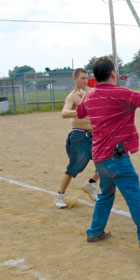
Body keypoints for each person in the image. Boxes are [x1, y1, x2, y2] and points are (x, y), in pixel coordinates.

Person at [76, 56, 140, 251]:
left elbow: (79, 112)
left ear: (95, 76)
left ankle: (95, 231)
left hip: (101, 158)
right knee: (134, 199)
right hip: (117, 158)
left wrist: (85, 93)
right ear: (112, 73)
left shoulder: (89, 96)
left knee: (105, 195)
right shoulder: (119, 93)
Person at [54, 68, 99, 208]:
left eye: (86, 78)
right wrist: (81, 109)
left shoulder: (92, 91)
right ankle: (59, 196)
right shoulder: (72, 96)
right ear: (75, 79)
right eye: (82, 78)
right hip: (79, 136)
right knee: (74, 167)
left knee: (106, 161)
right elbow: (64, 113)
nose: (85, 81)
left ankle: (91, 184)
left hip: (96, 134)